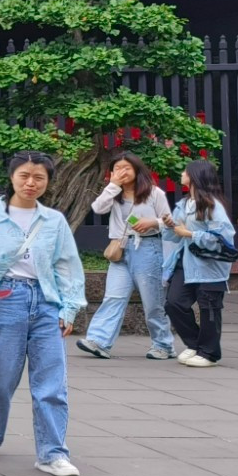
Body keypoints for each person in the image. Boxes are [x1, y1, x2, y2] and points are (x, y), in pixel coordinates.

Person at [0, 151, 85, 476]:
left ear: (47, 181)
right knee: (0, 376)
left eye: (39, 177)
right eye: (24, 176)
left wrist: (69, 307)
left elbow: (67, 265)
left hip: (46, 301)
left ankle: (53, 453)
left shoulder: (53, 220)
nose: (31, 183)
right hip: (6, 296)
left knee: (51, 382)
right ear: (12, 177)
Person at [77, 152, 174, 360]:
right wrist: (112, 186)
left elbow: (169, 221)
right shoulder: (114, 194)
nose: (122, 172)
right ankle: (99, 341)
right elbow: (97, 208)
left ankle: (163, 345)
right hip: (120, 249)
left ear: (137, 170)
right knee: (113, 296)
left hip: (148, 248)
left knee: (152, 302)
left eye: (127, 168)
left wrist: (152, 222)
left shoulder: (154, 193)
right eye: (117, 168)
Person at [163, 160, 237, 368]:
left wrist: (190, 233)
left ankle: (209, 353)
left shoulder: (212, 205)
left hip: (209, 267)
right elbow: (175, 236)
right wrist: (171, 226)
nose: (182, 172)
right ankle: (196, 345)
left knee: (209, 309)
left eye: (185, 170)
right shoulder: (184, 204)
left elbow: (224, 236)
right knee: (173, 303)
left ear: (195, 176)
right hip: (185, 263)